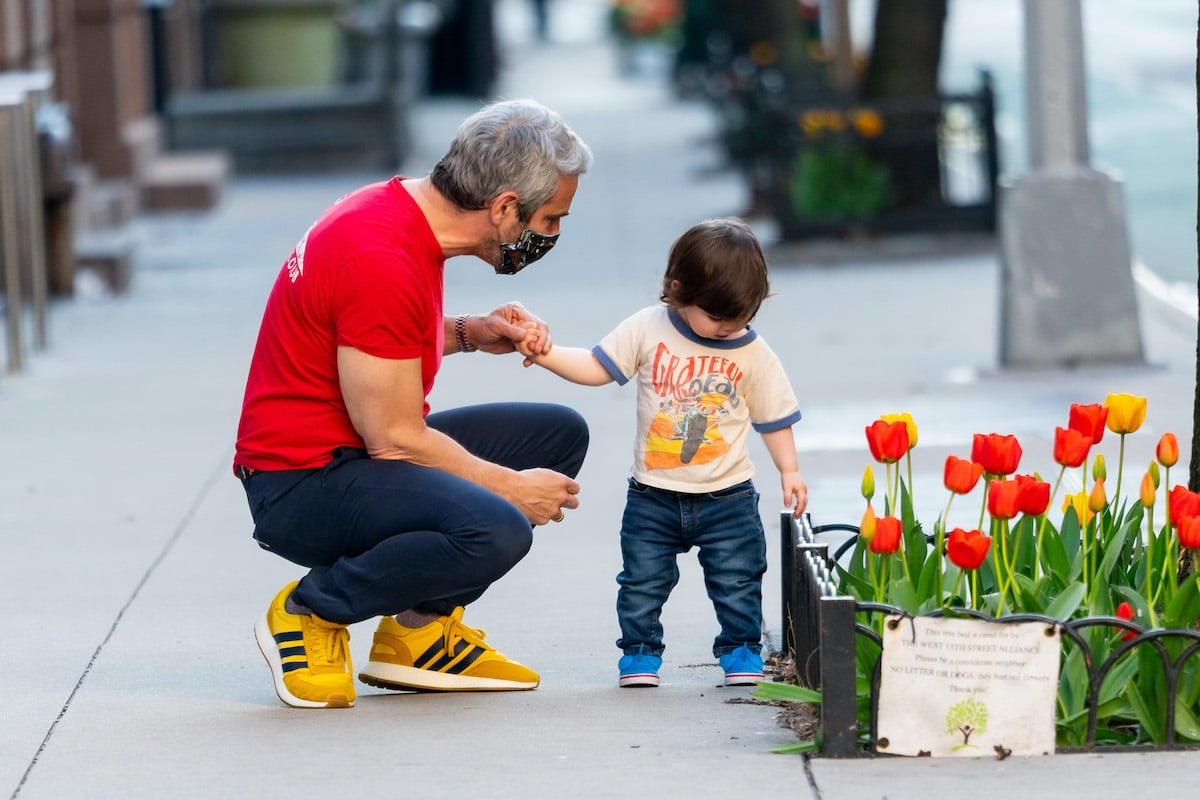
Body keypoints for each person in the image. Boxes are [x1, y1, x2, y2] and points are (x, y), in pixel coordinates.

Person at [234, 99, 593, 709]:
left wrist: (468, 333)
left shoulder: (397, 212)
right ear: (505, 208)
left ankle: (417, 634)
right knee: (496, 527)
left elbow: (368, 341)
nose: (553, 235)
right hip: (301, 484)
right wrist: (510, 487)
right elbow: (396, 439)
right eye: (552, 219)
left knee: (557, 434)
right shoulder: (381, 254)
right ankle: (310, 612)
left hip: (348, 457)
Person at [517, 217, 808, 687]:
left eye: (742, 320)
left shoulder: (752, 351)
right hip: (653, 496)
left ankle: (740, 648)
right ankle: (639, 653)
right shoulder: (647, 328)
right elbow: (596, 366)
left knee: (738, 579)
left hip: (728, 496)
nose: (729, 330)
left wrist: (789, 470)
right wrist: (545, 354)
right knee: (641, 583)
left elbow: (773, 416)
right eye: (717, 319)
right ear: (677, 291)